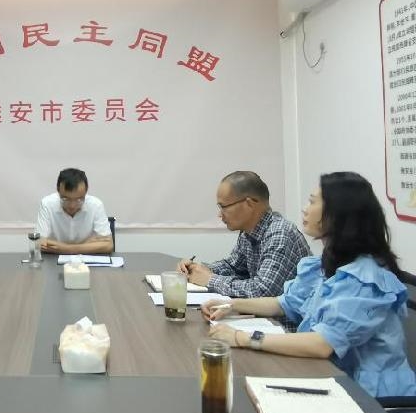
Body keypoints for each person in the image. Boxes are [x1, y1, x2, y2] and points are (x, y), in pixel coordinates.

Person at [203, 172, 416, 398]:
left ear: (338, 213)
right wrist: (231, 304)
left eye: (313, 202)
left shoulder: (364, 279)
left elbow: (322, 344)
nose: (305, 209)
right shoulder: (326, 264)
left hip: (371, 399)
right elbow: (284, 303)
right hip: (328, 379)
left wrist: (241, 338)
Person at [176, 171, 310, 297]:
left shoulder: (280, 233)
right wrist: (196, 269)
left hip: (289, 315)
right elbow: (233, 267)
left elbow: (262, 291)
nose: (219, 214)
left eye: (224, 207)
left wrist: (210, 279)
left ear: (249, 204)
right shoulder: (248, 232)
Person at [36, 168, 113, 255]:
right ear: (58, 190)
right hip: (54, 260)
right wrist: (87, 245)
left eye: (79, 199)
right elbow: (39, 242)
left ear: (86, 191)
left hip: (87, 261)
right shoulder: (47, 204)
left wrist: (67, 249)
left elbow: (108, 245)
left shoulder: (96, 205)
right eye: (65, 199)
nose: (72, 206)